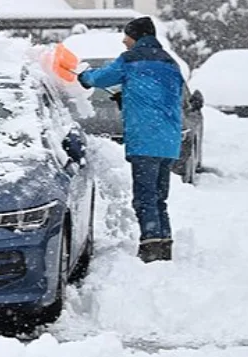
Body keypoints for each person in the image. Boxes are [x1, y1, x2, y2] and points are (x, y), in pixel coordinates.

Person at [77, 16, 183, 263]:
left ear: (137, 36)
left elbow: (100, 79)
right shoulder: (170, 63)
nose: (124, 41)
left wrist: (85, 77)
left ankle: (151, 247)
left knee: (144, 197)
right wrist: (129, 98)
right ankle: (163, 243)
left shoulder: (131, 59)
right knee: (158, 197)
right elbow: (164, 97)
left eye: (127, 35)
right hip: (168, 141)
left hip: (146, 139)